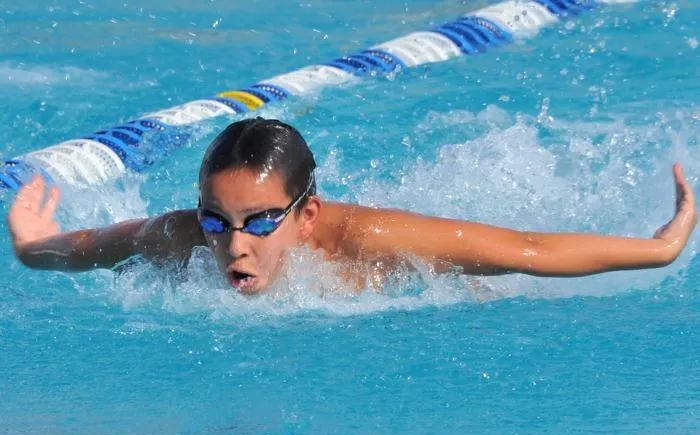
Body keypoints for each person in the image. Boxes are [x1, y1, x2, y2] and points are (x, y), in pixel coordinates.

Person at [7, 118, 698, 294]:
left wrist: (660, 247)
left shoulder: (365, 240)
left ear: (306, 214)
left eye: (259, 222)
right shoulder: (185, 238)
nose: (232, 246)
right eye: (217, 221)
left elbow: (528, 251)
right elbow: (92, 247)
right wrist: (32, 246)